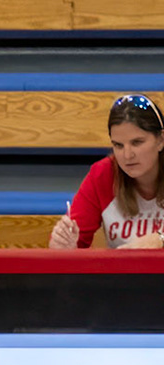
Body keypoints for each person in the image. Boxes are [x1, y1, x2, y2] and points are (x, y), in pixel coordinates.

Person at [51, 94, 164, 250]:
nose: (127, 155)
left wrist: (160, 239)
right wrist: (64, 246)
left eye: (137, 142)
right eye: (118, 145)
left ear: (161, 140)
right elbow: (73, 243)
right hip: (122, 267)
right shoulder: (103, 175)